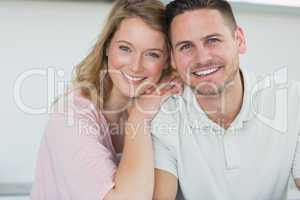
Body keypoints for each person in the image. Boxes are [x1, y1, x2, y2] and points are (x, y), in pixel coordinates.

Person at [31, 0, 182, 199]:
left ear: (166, 62)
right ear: (107, 47)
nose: (136, 66)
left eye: (152, 54)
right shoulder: (71, 116)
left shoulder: (162, 106)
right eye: (125, 49)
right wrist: (138, 119)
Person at [151, 0, 300, 199]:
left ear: (239, 40)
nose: (202, 58)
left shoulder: (292, 101)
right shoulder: (164, 116)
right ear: (172, 58)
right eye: (186, 46)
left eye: (213, 40)